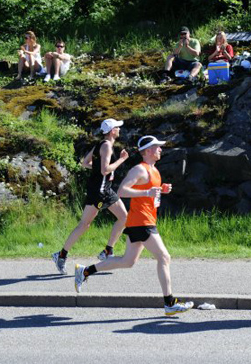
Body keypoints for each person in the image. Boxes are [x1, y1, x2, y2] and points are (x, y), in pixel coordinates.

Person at [74, 135, 194, 316]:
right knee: (164, 257)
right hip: (141, 221)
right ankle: (170, 302)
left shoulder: (154, 170)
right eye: (157, 147)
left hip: (144, 220)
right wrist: (147, 192)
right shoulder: (139, 169)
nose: (160, 149)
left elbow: (148, 193)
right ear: (148, 151)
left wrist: (161, 190)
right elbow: (122, 191)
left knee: (127, 261)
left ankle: (85, 271)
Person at [52, 118, 129, 275]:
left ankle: (106, 251)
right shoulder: (106, 146)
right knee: (87, 224)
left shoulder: (100, 144)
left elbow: (85, 162)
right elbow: (105, 170)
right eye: (117, 127)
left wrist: (98, 169)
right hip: (100, 191)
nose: (119, 129)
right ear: (112, 131)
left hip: (102, 189)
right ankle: (62, 255)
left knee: (121, 218)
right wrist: (121, 160)